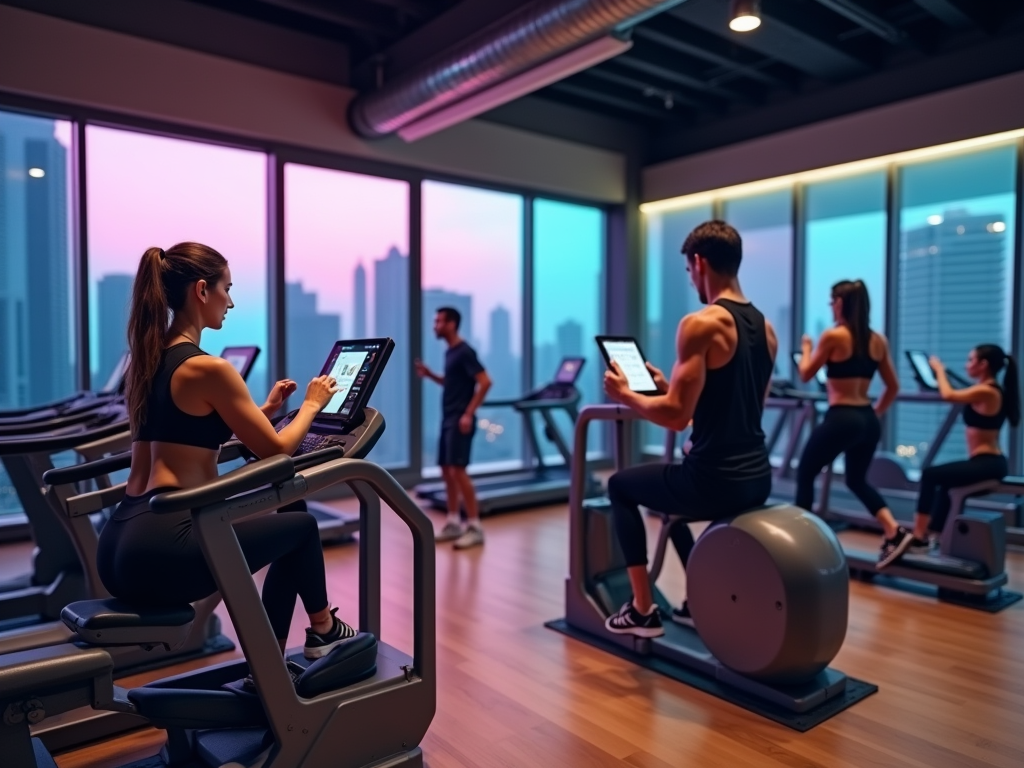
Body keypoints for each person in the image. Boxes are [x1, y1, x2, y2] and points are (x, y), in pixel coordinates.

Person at [97, 242, 355, 666]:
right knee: (303, 528)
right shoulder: (208, 368)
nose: (230, 301)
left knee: (291, 514)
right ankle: (317, 635)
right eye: (226, 289)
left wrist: (265, 411)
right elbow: (275, 452)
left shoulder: (148, 360)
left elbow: (183, 430)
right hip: (166, 546)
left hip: (120, 544)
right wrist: (312, 403)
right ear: (202, 290)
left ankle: (292, 650)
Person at [602, 220, 777, 638]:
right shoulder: (766, 330)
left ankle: (642, 610)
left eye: (688, 270)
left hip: (714, 480)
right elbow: (741, 410)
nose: (691, 279)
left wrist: (627, 395)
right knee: (670, 512)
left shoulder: (700, 324)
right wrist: (667, 388)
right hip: (758, 478)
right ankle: (697, 600)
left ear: (698, 263)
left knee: (620, 486)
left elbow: (676, 419)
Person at [795, 280, 906, 568]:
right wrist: (874, 414)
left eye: (833, 301)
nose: (831, 306)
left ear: (842, 303)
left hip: (841, 416)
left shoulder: (834, 336)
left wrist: (806, 347)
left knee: (806, 472)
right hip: (867, 419)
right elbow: (893, 387)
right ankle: (893, 529)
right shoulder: (878, 340)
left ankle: (801, 541)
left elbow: (806, 373)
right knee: (857, 480)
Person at [910, 345, 1021, 549]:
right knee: (945, 485)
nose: (966, 364)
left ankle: (918, 535)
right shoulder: (986, 390)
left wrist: (940, 370)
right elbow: (956, 391)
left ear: (983, 364)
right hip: (986, 461)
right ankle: (937, 536)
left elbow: (949, 395)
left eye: (970, 360)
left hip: (988, 463)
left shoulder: (987, 391)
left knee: (930, 474)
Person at [415, 307, 493, 550]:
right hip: (448, 418)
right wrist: (430, 375)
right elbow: (453, 383)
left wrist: (469, 413)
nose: (434, 325)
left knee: (459, 472)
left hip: (460, 419)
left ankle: (474, 526)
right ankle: (453, 522)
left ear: (451, 324)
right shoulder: (451, 353)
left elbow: (485, 381)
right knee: (447, 470)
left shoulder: (464, 352)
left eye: (438, 321)